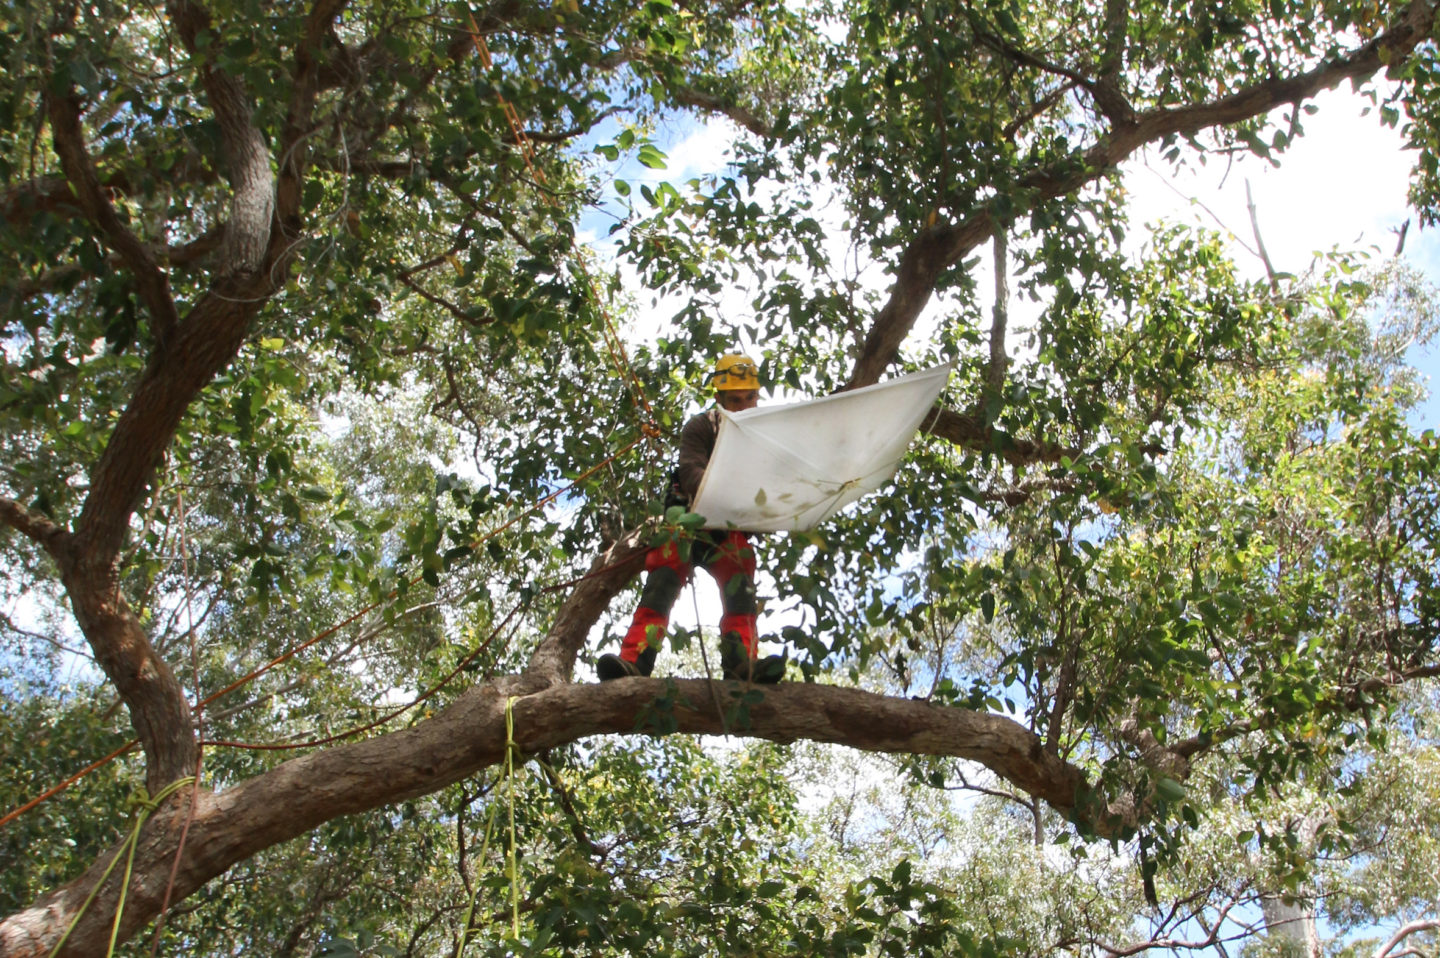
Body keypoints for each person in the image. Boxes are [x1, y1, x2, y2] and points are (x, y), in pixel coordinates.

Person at [597, 353, 787, 683]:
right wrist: (729, 497)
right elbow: (690, 472)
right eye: (735, 400)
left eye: (749, 397)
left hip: (726, 531)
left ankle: (741, 663)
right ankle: (635, 660)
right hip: (688, 522)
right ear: (719, 398)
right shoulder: (702, 427)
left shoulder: (763, 439)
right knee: (663, 576)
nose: (743, 406)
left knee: (740, 574)